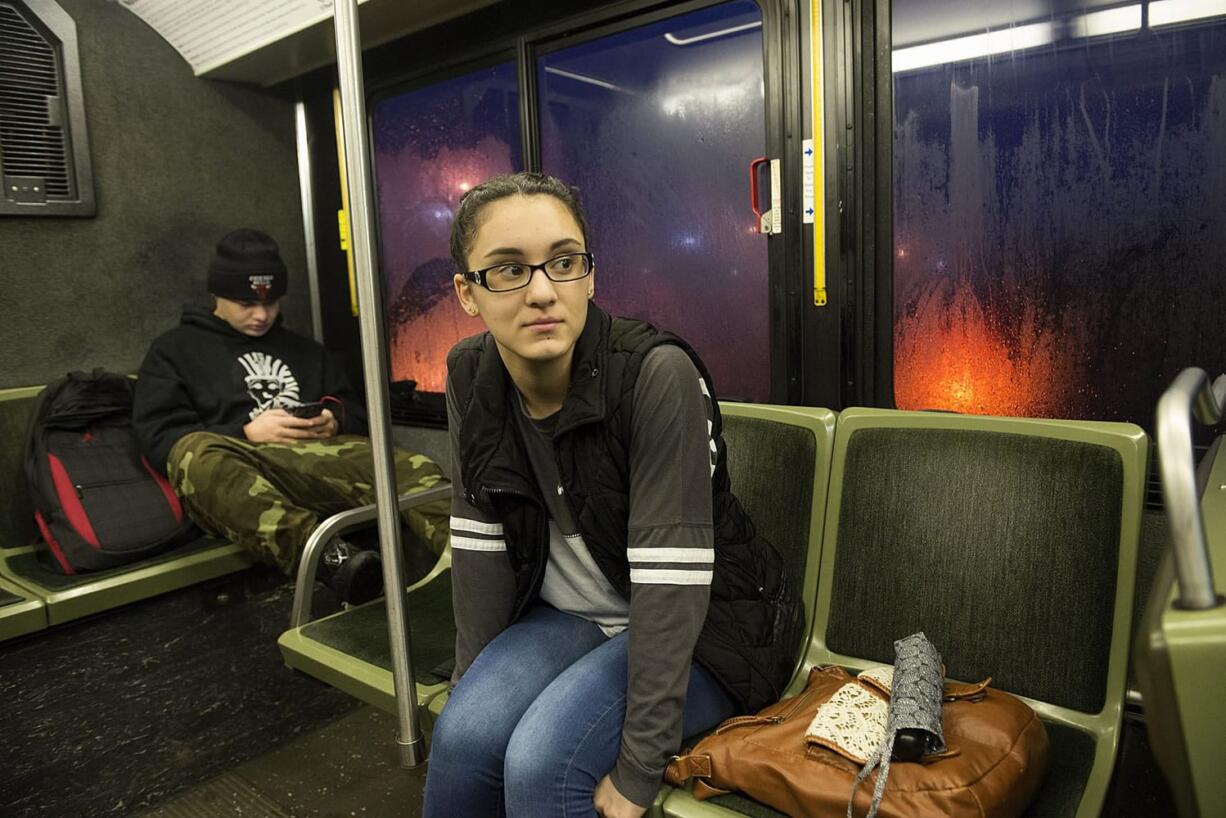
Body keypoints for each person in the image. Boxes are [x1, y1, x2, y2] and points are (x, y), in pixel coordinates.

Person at [424, 173, 804, 818]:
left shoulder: (655, 375)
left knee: (544, 761)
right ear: (467, 292)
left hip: (709, 625)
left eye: (564, 263)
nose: (543, 291)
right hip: (568, 613)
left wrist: (638, 766)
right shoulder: (469, 372)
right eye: (508, 270)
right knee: (464, 734)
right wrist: (474, 683)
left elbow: (672, 582)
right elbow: (479, 540)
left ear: (590, 277)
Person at [132, 228, 449, 603]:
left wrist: (335, 419)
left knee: (413, 466)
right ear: (216, 294)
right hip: (240, 467)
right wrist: (246, 432)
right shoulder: (174, 350)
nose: (261, 315)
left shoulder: (305, 350)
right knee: (193, 450)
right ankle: (332, 560)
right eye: (245, 304)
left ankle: (471, 561)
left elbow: (359, 412)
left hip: (317, 458)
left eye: (271, 303)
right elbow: (158, 439)